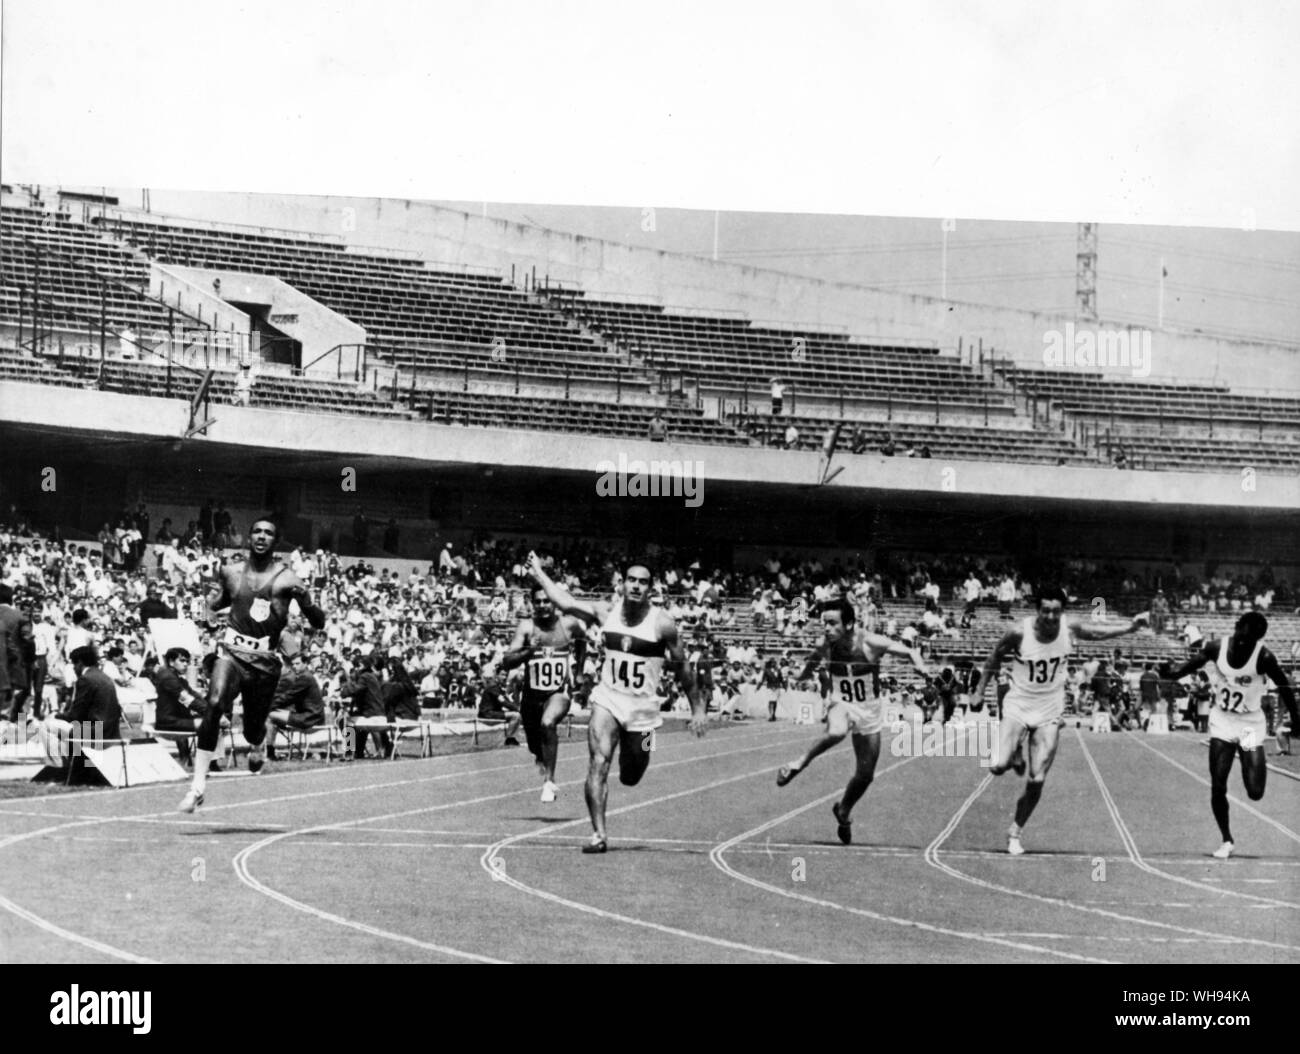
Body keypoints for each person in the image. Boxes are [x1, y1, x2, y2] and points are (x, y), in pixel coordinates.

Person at [527, 551, 704, 854]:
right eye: (631, 580)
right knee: (597, 763)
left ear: (652, 588)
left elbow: (683, 667)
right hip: (607, 700)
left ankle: (632, 759)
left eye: (643, 582)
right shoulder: (605, 611)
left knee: (632, 774)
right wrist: (538, 573)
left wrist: (698, 708)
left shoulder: (663, 624)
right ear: (622, 584)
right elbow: (565, 602)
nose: (636, 586)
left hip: (645, 711)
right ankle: (599, 834)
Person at [974, 588, 1148, 855]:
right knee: (997, 765)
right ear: (1037, 610)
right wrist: (977, 691)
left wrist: (1130, 627)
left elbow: (1098, 633)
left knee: (1037, 778)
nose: (1051, 616)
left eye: (1056, 611)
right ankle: (1015, 751)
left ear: (1062, 612)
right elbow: (993, 658)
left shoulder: (1069, 629)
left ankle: (1015, 831)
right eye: (1046, 610)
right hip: (1019, 704)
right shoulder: (1019, 631)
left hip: (1049, 709)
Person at [179, 517, 325, 813]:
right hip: (232, 653)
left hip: (265, 663)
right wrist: (207, 610)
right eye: (256, 531)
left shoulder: (288, 579)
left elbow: (319, 621)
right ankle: (197, 787)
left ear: (276, 541)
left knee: (251, 730)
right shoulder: (230, 571)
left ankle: (258, 746)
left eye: (268, 533)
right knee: (216, 701)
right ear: (249, 538)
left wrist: (307, 602)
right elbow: (217, 603)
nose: (261, 536)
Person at [775, 598, 932, 844]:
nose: (826, 629)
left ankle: (844, 810)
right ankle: (798, 763)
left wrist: (920, 665)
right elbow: (810, 667)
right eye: (824, 623)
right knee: (837, 731)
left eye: (832, 624)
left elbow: (910, 651)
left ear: (848, 624)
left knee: (866, 774)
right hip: (841, 702)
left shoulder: (870, 642)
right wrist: (798, 675)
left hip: (869, 710)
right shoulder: (825, 645)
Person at [1160, 612, 1298, 859]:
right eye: (1242, 637)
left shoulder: (1264, 657)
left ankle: (1246, 759)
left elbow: (1284, 685)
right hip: (1223, 722)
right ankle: (1226, 839)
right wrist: (1172, 674)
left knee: (1255, 791)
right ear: (1236, 629)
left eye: (1251, 640)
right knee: (1218, 784)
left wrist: (1297, 721)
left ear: (1258, 640)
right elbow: (1193, 664)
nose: (1245, 643)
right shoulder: (1216, 648)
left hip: (1247, 726)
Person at [501, 584, 588, 802]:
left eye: (546, 600)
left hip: (557, 693)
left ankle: (549, 782)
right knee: (534, 744)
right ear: (532, 604)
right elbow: (507, 661)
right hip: (531, 696)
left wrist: (578, 671)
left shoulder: (569, 625)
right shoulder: (527, 627)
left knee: (548, 723)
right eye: (537, 601)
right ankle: (541, 756)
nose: (542, 605)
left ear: (554, 602)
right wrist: (529, 651)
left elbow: (582, 641)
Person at [266, 652, 326, 760]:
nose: (294, 666)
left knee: (269, 715)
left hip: (310, 718)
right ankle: (269, 751)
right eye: (293, 664)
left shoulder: (305, 677)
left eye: (297, 663)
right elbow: (288, 697)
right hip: (310, 716)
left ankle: (269, 752)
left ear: (305, 663)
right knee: (271, 714)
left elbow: (289, 696)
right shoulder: (305, 676)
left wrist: (268, 706)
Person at [152, 647, 205, 764]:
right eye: (182, 661)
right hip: (168, 722)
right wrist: (211, 712)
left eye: (187, 661)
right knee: (208, 723)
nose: (186, 664)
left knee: (210, 721)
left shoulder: (177, 677)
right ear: (171, 662)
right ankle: (204, 763)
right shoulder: (168, 677)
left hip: (177, 719)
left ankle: (187, 759)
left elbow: (194, 695)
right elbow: (188, 700)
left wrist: (212, 708)